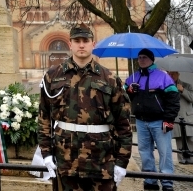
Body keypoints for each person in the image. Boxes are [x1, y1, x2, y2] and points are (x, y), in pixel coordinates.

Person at [38, 24, 131, 191]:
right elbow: (44, 117)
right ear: (70, 43)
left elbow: (123, 123)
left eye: (86, 41)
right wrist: (46, 154)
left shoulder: (109, 78)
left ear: (92, 44)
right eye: (77, 40)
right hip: (65, 158)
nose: (81, 45)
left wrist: (121, 162)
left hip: (101, 160)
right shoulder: (53, 76)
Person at [125, 49, 180, 191]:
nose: (141, 60)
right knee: (144, 152)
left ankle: (167, 183)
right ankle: (150, 181)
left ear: (151, 59)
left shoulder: (163, 77)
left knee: (165, 152)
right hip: (141, 121)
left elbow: (173, 100)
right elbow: (124, 98)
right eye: (139, 58)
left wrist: (169, 119)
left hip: (159, 121)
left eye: (144, 57)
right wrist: (129, 90)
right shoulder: (132, 78)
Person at [169, 71, 193, 164]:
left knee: (190, 139)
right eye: (170, 74)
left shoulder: (187, 85)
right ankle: (182, 159)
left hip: (187, 117)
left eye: (173, 73)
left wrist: (183, 90)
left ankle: (191, 158)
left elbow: (192, 98)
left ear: (178, 74)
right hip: (176, 117)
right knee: (179, 140)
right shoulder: (167, 86)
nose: (172, 76)